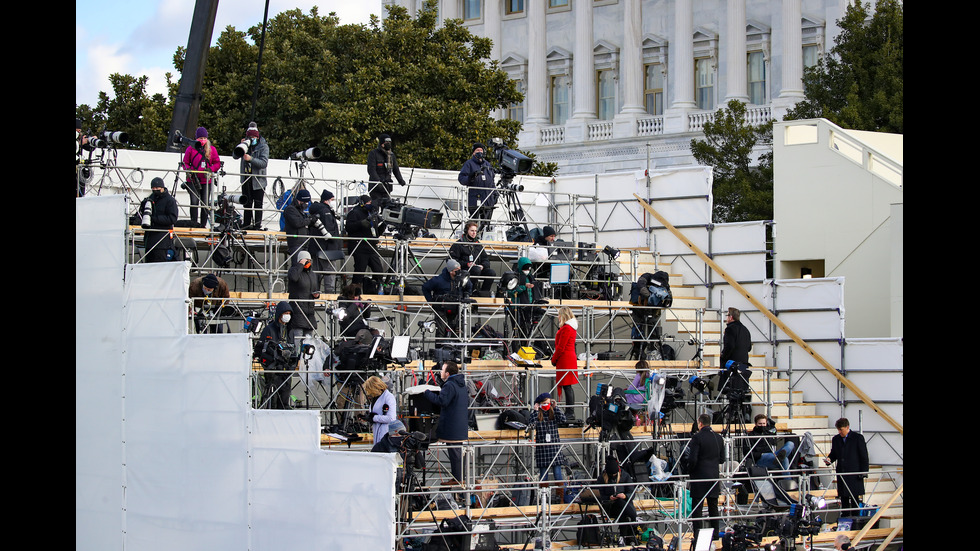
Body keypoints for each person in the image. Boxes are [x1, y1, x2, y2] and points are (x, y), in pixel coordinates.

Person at [423, 361, 468, 484]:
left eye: (442, 370)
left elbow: (442, 401)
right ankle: (458, 478)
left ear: (447, 373)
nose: (440, 372)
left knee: (455, 454)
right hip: (460, 426)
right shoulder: (461, 384)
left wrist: (427, 393)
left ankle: (458, 479)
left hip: (451, 427)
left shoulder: (450, 385)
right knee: (457, 454)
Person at [689, 412, 726, 545]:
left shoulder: (697, 438)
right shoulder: (719, 438)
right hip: (714, 476)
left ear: (700, 423)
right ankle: (715, 534)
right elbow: (722, 459)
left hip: (699, 475)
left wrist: (689, 469)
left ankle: (698, 534)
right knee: (713, 506)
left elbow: (693, 458)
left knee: (697, 507)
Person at [254, 301, 296, 409]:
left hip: (286, 370)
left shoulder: (290, 330)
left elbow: (293, 348)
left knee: (284, 400)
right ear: (280, 314)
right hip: (273, 370)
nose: (288, 316)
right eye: (285, 313)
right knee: (272, 400)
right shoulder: (269, 329)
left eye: (289, 313)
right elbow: (261, 349)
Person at [824, 417, 869, 514]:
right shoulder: (836, 439)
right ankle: (845, 519)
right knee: (843, 497)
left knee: (854, 498)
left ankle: (855, 519)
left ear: (847, 427)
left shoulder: (857, 438)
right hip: (842, 472)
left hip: (854, 473)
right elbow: (834, 453)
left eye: (841, 430)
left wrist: (864, 472)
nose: (840, 432)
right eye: (838, 430)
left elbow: (864, 456)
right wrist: (829, 459)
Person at [422, 259, 472, 340]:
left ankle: (455, 349)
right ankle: (440, 349)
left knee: (457, 330)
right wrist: (430, 301)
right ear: (451, 271)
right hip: (441, 308)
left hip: (456, 307)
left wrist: (466, 295)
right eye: (456, 270)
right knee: (441, 330)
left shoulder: (462, 278)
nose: (459, 271)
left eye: (460, 269)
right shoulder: (438, 280)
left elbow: (469, 287)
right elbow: (425, 287)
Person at [182, 126, 221, 227]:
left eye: (204, 138)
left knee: (205, 204)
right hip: (193, 179)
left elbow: (217, 163)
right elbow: (185, 162)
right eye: (200, 138)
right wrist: (189, 170)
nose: (203, 140)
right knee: (194, 202)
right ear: (196, 139)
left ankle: (203, 225)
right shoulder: (190, 148)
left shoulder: (211, 149)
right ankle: (193, 224)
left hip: (206, 180)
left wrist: (210, 170)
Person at [344, 195, 385, 287]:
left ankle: (375, 288)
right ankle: (354, 292)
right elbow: (349, 227)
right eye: (368, 203)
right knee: (359, 271)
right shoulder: (354, 212)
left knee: (378, 271)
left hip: (371, 246)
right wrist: (361, 223)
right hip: (360, 247)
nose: (370, 205)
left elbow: (376, 232)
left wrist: (383, 225)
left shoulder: (372, 213)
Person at [597, 456, 638, 544]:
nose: (613, 476)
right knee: (621, 506)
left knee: (622, 510)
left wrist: (625, 496)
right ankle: (635, 519)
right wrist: (609, 498)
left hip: (623, 506)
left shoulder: (625, 476)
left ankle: (622, 538)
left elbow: (632, 492)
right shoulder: (601, 479)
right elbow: (599, 495)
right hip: (610, 507)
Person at [308, 190, 343, 293]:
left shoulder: (317, 210)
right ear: (327, 200)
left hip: (316, 247)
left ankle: (314, 293)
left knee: (316, 272)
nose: (333, 201)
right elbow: (330, 229)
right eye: (332, 199)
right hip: (327, 248)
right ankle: (330, 296)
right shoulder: (326, 211)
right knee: (330, 273)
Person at [449, 220, 497, 296]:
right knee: (476, 270)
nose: (474, 233)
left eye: (475, 231)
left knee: (491, 272)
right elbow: (452, 260)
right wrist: (467, 264)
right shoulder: (458, 244)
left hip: (477, 268)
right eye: (472, 231)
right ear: (466, 231)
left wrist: (483, 266)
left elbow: (486, 259)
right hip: (464, 269)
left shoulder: (478, 244)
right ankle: (470, 291)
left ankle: (483, 293)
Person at [458, 143, 497, 235]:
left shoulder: (488, 165)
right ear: (473, 153)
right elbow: (461, 179)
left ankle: (485, 238)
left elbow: (492, 182)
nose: (480, 152)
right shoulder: (469, 164)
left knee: (486, 223)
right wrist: (471, 177)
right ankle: (470, 238)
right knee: (473, 222)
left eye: (481, 151)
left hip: (488, 198)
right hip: (475, 198)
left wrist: (495, 194)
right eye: (477, 151)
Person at [528, 393, 567, 486]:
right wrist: (535, 411)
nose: (547, 405)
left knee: (558, 475)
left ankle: (561, 497)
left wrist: (556, 407)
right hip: (542, 449)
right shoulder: (537, 415)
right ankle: (543, 497)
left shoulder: (553, 413)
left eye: (548, 403)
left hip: (554, 449)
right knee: (543, 476)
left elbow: (563, 420)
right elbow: (531, 424)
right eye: (544, 403)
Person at [139, 177, 179, 263]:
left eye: (157, 188)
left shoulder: (170, 200)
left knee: (159, 264)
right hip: (149, 239)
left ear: (162, 188)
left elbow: (172, 218)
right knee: (149, 264)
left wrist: (154, 219)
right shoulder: (151, 198)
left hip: (162, 240)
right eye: (153, 188)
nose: (155, 190)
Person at [361, 375, 405, 453]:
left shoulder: (388, 397)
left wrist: (374, 418)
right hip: (377, 432)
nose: (368, 393)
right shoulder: (375, 398)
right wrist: (367, 417)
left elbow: (391, 418)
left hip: (385, 433)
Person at [239, 122, 270, 230]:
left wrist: (251, 159)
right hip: (246, 178)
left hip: (258, 180)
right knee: (247, 204)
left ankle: (257, 225)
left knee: (258, 204)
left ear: (257, 136)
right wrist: (240, 146)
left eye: (253, 137)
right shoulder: (245, 145)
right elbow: (234, 155)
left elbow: (263, 163)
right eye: (250, 137)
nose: (252, 139)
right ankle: (246, 224)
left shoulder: (264, 146)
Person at [551, 307, 580, 416]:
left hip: (565, 359)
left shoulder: (567, 328)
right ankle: (569, 411)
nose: (558, 317)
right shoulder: (570, 327)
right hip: (567, 358)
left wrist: (554, 359)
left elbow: (561, 346)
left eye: (559, 315)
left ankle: (570, 412)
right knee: (567, 386)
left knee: (567, 386)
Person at [718, 307, 751, 395]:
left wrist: (723, 356)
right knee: (741, 391)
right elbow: (749, 347)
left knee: (731, 391)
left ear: (731, 317)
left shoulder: (730, 329)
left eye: (727, 316)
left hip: (733, 365)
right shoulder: (745, 330)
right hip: (743, 364)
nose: (726, 318)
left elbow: (729, 346)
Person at [288, 250, 320, 340]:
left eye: (310, 260)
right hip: (298, 310)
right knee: (298, 337)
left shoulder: (312, 274)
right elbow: (293, 278)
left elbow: (315, 288)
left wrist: (317, 295)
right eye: (306, 260)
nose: (308, 262)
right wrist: (300, 265)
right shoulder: (293, 271)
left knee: (308, 340)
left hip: (309, 311)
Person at [505, 257, 537, 347]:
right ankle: (516, 350)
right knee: (517, 332)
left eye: (528, 268)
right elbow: (511, 291)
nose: (527, 270)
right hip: (517, 308)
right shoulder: (515, 277)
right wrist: (524, 287)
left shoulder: (531, 277)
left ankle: (525, 349)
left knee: (527, 332)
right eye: (525, 268)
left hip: (528, 308)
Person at [366, 134, 407, 201]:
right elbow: (371, 170)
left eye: (390, 142)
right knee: (376, 205)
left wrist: (400, 180)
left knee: (387, 207)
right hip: (376, 187)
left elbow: (395, 169)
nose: (389, 144)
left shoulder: (391, 155)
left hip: (387, 186)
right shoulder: (373, 153)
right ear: (382, 143)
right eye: (387, 142)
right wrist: (379, 180)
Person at [283, 189, 314, 266]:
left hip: (304, 242)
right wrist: (310, 220)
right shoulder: (290, 209)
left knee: (306, 267)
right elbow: (297, 223)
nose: (306, 204)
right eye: (305, 202)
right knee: (297, 265)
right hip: (296, 243)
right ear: (299, 200)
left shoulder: (301, 211)